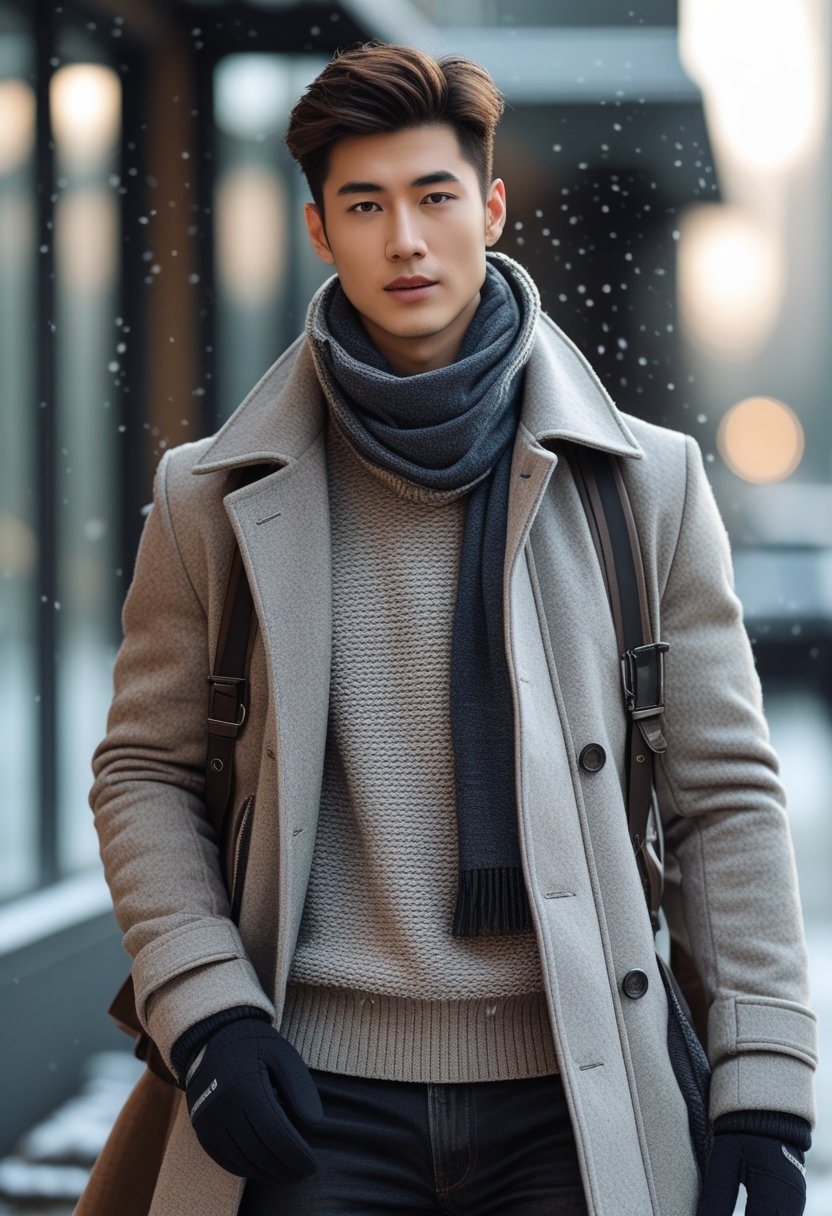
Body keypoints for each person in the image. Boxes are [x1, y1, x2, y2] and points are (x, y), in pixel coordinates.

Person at [86, 42, 816, 1216]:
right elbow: (144, 771)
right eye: (364, 206)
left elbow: (721, 792)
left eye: (433, 198)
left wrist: (764, 1078)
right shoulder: (210, 494)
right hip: (311, 1092)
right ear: (320, 231)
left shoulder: (645, 486)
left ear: (491, 206)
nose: (406, 241)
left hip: (575, 1094)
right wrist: (208, 1010)